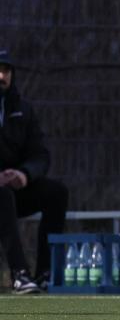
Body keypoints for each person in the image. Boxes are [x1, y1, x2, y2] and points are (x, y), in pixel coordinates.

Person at [0, 50, 68, 294]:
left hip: (12, 190)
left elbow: (40, 154)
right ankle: (19, 273)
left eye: (6, 70)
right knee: (2, 196)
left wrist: (24, 175)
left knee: (56, 192)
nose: (1, 75)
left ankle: (44, 274)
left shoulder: (23, 111)